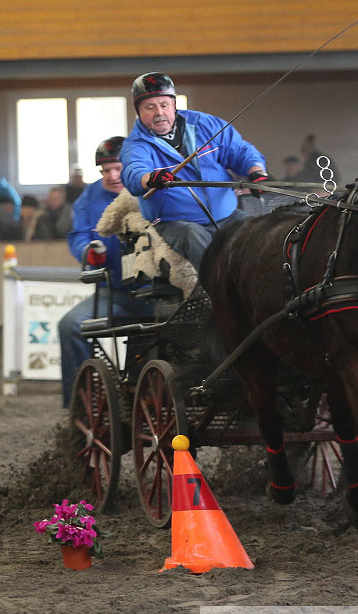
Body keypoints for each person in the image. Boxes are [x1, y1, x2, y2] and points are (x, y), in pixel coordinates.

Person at [120, 72, 268, 269]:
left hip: (227, 215)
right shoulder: (136, 145)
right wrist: (151, 178)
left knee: (261, 233)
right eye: (150, 107)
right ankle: (218, 291)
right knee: (193, 236)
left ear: (174, 104)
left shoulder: (205, 124)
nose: (159, 113)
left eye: (164, 105)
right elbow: (133, 171)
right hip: (177, 223)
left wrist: (256, 172)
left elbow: (240, 150)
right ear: (137, 111)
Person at [58, 136, 151, 408]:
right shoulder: (89, 197)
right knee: (70, 326)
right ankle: (80, 405)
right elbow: (76, 235)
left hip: (156, 293)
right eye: (105, 170)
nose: (111, 176)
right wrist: (88, 250)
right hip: (114, 295)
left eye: (118, 169)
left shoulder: (150, 187)